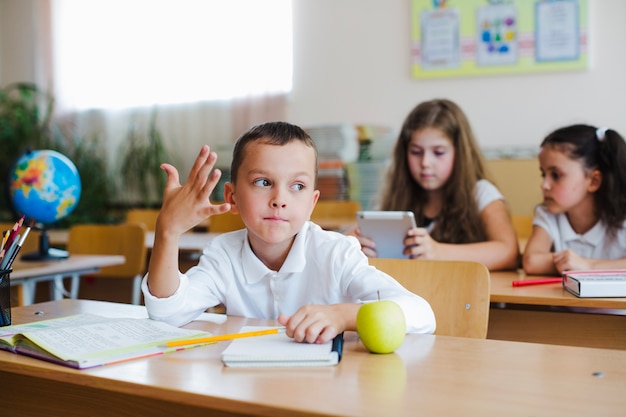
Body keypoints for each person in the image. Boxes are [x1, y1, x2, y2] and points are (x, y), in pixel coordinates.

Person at [142, 121, 436, 344]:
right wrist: (168, 231)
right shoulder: (224, 254)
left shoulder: (336, 253)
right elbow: (167, 313)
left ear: (312, 202)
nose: (279, 199)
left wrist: (343, 315)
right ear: (231, 196)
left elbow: (421, 314)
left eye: (297, 186)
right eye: (262, 182)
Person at [349, 99, 519, 270]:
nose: (425, 162)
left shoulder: (481, 193)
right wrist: (354, 244)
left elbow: (508, 252)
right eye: (416, 152)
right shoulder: (396, 196)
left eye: (438, 152)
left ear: (460, 153)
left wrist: (439, 252)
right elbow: (349, 237)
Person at [522, 125, 626, 275]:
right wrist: (571, 263)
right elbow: (531, 262)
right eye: (543, 174)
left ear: (593, 181)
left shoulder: (622, 218)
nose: (544, 185)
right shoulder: (547, 215)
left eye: (556, 175)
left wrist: (588, 266)